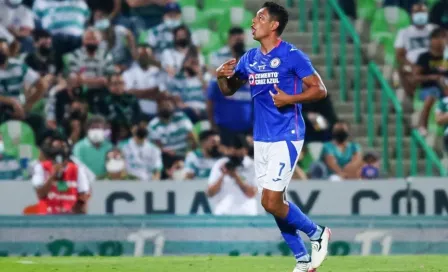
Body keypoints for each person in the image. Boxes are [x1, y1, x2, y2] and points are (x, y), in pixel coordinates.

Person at [215, 2, 330, 271]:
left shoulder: (292, 55)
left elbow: (320, 90)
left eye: (260, 17)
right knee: (274, 203)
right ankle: (303, 260)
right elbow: (229, 90)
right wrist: (221, 77)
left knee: (270, 200)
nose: (253, 22)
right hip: (262, 138)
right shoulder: (249, 58)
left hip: (287, 135)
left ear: (274, 25)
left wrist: (291, 98)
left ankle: (317, 234)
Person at [31, 135, 90, 214]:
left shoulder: (78, 169)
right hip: (46, 216)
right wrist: (52, 176)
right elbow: (40, 194)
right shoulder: (41, 167)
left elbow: (83, 199)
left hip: (69, 217)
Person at [206, 134, 257, 215]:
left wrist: (235, 176)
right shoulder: (220, 164)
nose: (235, 151)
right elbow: (210, 193)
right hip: (224, 213)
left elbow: (251, 193)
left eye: (238, 148)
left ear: (245, 150)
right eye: (232, 148)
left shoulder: (252, 166)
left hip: (246, 214)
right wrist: (222, 175)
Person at [394, 3, 437, 97]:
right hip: (412, 64)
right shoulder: (404, 32)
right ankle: (414, 99)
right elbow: (399, 55)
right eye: (417, 12)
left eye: (423, 12)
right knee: (402, 70)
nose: (420, 15)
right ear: (412, 15)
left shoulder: (434, 30)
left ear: (428, 14)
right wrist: (413, 66)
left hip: (433, 63)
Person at [413, 28, 448, 135]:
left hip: (445, 87)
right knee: (431, 96)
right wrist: (432, 77)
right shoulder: (424, 57)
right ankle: (422, 126)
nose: (445, 40)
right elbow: (415, 77)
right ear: (433, 40)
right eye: (442, 37)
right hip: (427, 89)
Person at [122, 42, 165, 119]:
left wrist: (139, 94)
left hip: (158, 112)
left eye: (146, 55)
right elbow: (127, 93)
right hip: (137, 113)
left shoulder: (158, 71)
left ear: (152, 56)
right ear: (136, 56)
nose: (144, 57)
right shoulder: (128, 73)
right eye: (141, 55)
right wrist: (151, 92)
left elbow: (162, 93)